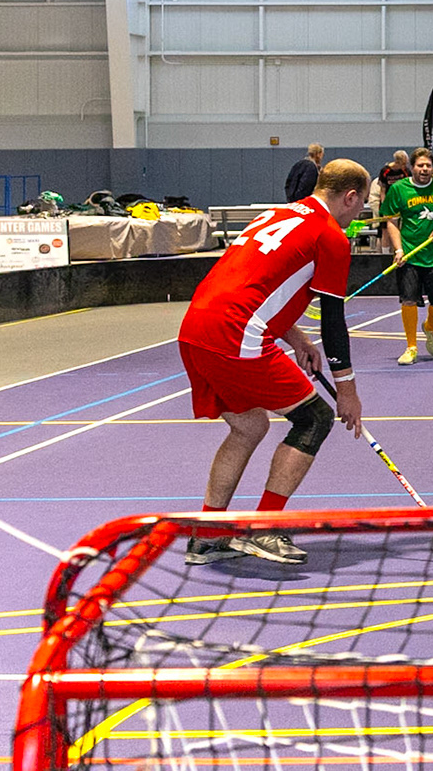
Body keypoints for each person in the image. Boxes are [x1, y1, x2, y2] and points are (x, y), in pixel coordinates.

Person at [177, 159, 371, 565]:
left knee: (249, 426)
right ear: (349, 197)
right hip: (236, 334)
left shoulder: (277, 214)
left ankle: (207, 536)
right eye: (363, 204)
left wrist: (295, 335)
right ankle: (265, 528)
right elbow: (334, 322)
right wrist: (347, 391)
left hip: (196, 327)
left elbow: (253, 279)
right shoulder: (331, 236)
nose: (361, 213)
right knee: (314, 418)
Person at [381, 147, 433, 366]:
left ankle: (430, 327)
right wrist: (398, 250)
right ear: (411, 168)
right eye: (420, 165)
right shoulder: (399, 189)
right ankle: (411, 347)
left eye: (428, 165)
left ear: (432, 167)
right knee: (408, 300)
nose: (424, 169)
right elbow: (392, 222)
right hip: (409, 255)